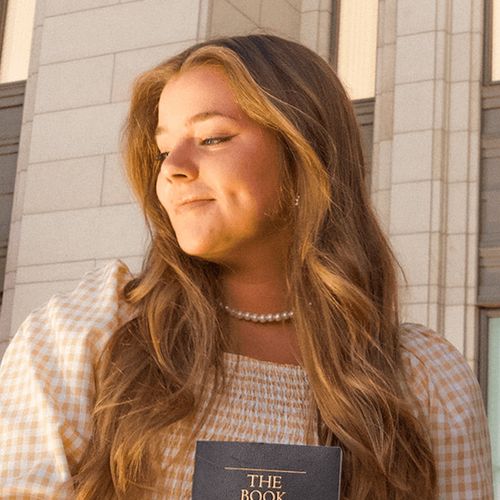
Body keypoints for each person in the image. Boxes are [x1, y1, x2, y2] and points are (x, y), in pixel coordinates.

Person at [0, 34, 493, 499]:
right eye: (162, 149)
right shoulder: (86, 337)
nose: (173, 167)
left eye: (213, 138)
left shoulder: (423, 378)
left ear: (305, 155)